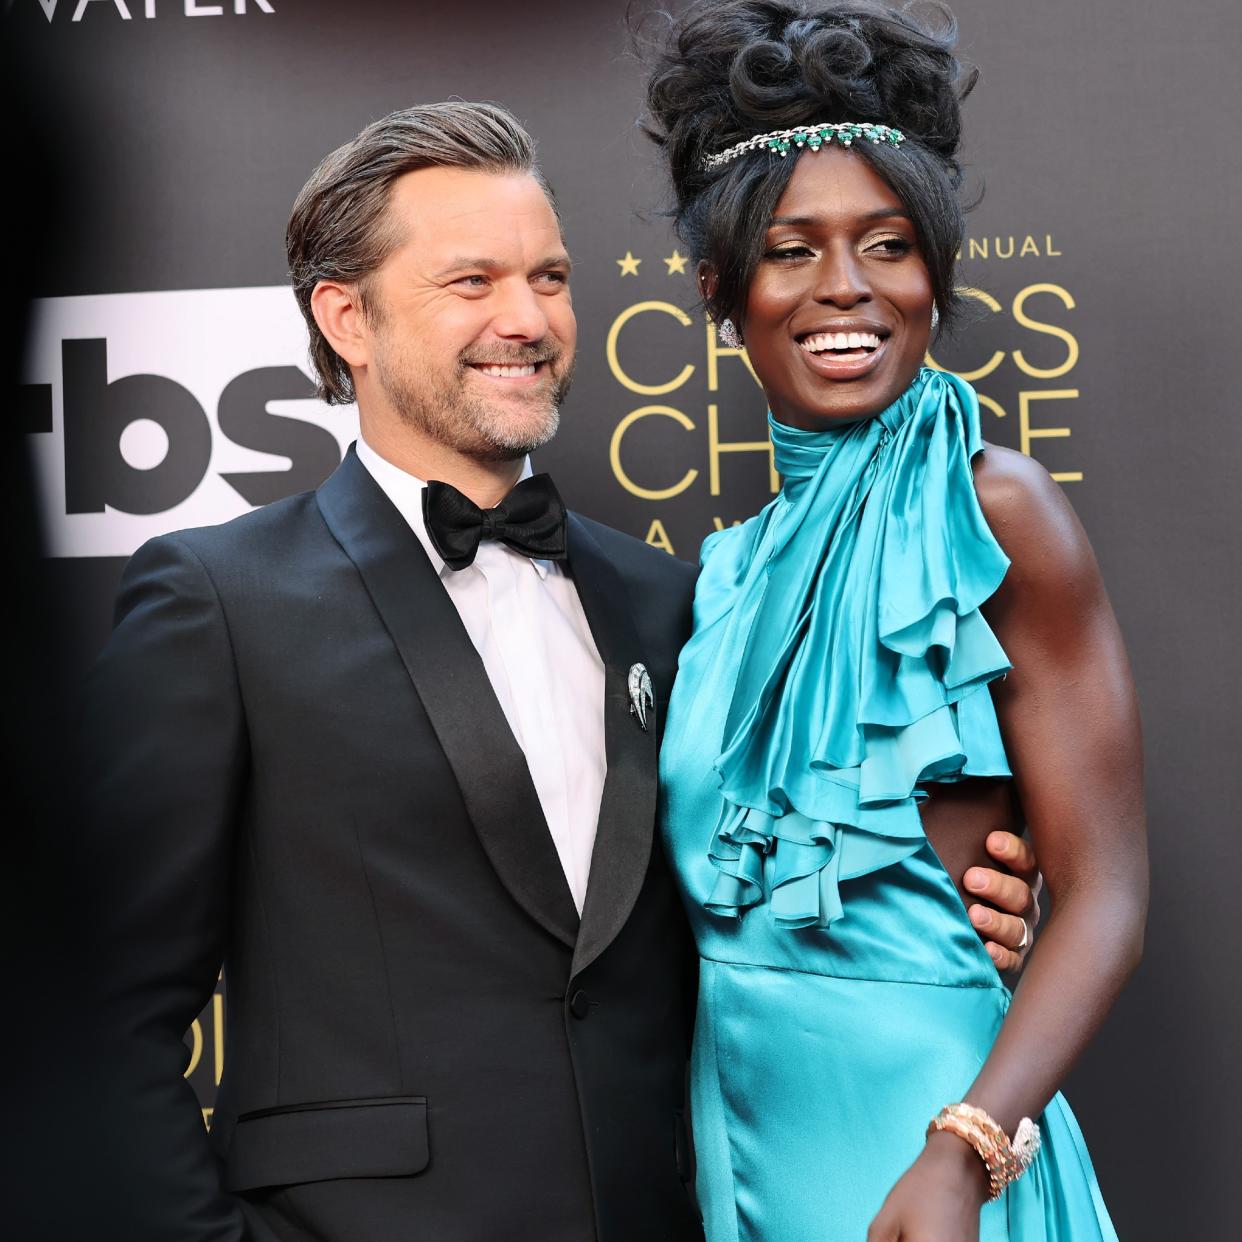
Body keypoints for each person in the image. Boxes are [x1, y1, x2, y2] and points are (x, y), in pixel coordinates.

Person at [73, 101, 1038, 1241]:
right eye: (470, 283)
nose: (526, 319)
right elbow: (94, 1020)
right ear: (348, 318)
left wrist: (961, 903)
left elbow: (765, 892)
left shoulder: (680, 602)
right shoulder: (217, 599)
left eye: (550, 277)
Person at [644, 3, 1148, 1240]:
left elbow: (1108, 893)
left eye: (887, 243)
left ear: (936, 271)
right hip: (743, 1141)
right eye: (792, 250)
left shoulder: (1000, 509)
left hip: (936, 1157)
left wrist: (968, 1148)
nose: (847, 289)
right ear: (718, 287)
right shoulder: (721, 575)